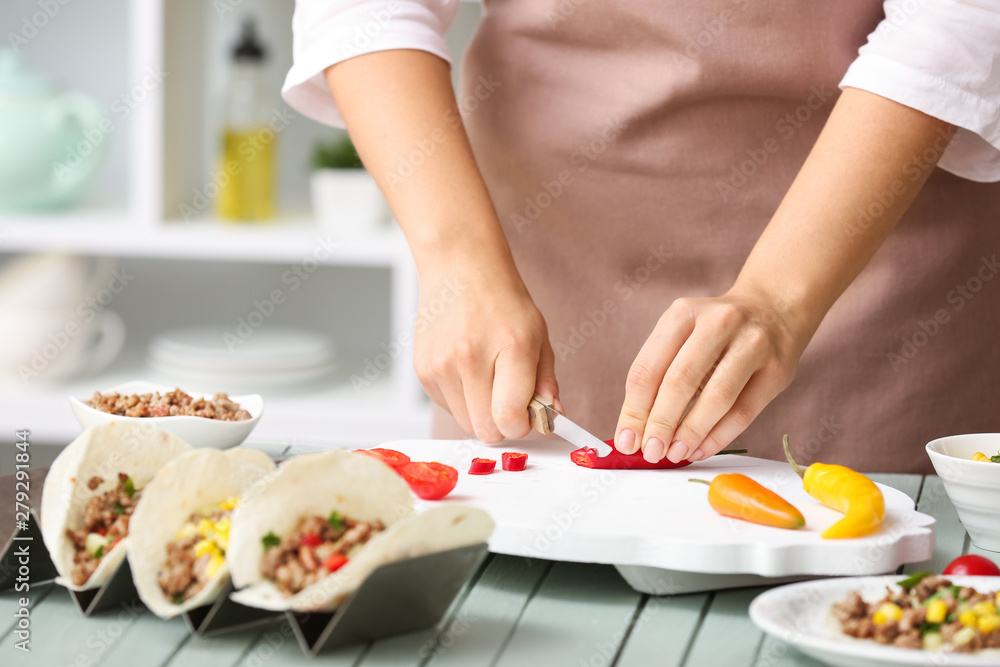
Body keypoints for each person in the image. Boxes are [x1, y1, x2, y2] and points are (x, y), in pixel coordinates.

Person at [283, 0, 1000, 473]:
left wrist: (780, 298)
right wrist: (457, 261)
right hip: (548, 269)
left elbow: (959, 21)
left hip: (879, 287)